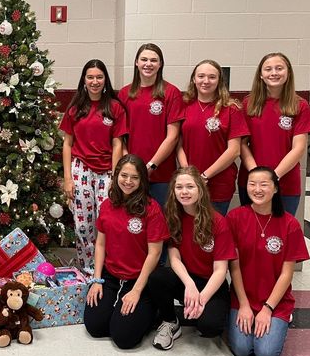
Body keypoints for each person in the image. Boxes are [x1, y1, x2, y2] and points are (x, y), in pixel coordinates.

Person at [226, 167, 310, 356]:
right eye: (252, 184)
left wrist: (267, 309)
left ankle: (282, 319)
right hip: (243, 297)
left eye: (264, 184)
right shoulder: (235, 218)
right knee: (242, 349)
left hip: (276, 301)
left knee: (266, 354)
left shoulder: (290, 224)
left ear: (275, 189)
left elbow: (286, 274)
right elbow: (234, 268)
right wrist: (244, 305)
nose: (257, 189)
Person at [84, 154, 169, 349]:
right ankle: (116, 308)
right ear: (116, 176)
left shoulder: (152, 209)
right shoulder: (107, 205)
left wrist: (137, 291)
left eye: (135, 177)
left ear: (142, 180)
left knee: (123, 338)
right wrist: (97, 280)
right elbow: (101, 245)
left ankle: (152, 310)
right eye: (124, 175)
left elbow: (155, 254)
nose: (128, 181)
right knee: (95, 327)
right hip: (111, 277)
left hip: (140, 280)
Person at [146, 167, 234, 351]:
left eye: (190, 186)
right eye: (179, 187)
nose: (184, 192)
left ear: (200, 189)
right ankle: (170, 321)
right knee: (156, 276)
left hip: (212, 283)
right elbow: (175, 257)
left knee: (209, 327)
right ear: (173, 191)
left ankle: (212, 308)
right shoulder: (173, 216)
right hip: (187, 279)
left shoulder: (218, 222)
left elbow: (220, 270)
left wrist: (201, 298)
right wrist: (190, 285)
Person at [60, 59, 127, 272]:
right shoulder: (76, 108)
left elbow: (118, 143)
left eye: (99, 77)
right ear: (84, 80)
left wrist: (116, 177)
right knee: (83, 226)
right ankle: (87, 269)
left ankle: (107, 268)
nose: (95, 81)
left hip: (107, 170)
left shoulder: (115, 108)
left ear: (105, 79)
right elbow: (67, 144)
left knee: (106, 220)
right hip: (81, 169)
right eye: (90, 77)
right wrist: (68, 179)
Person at [239, 52, 310, 216]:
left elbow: (299, 148)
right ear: (261, 74)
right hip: (253, 182)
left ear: (288, 72)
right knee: (252, 232)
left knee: (281, 234)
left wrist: (273, 177)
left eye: (279, 68)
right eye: (268, 69)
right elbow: (242, 144)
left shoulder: (300, 106)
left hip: (286, 183)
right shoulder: (249, 104)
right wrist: (257, 176)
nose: (274, 73)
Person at [177, 60, 248, 215]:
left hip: (219, 183)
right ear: (194, 79)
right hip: (188, 183)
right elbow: (179, 145)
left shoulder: (231, 109)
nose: (206, 81)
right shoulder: (184, 105)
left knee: (214, 230)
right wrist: (189, 173)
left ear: (219, 81)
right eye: (201, 76)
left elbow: (234, 150)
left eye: (212, 77)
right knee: (189, 229)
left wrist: (203, 176)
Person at [118, 43, 184, 208]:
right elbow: (120, 136)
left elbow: (173, 136)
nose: (148, 64)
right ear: (136, 63)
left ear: (160, 64)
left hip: (161, 175)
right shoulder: (125, 94)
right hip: (131, 176)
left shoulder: (171, 93)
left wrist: (151, 166)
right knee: (133, 222)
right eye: (144, 59)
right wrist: (130, 165)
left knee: (161, 223)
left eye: (154, 60)